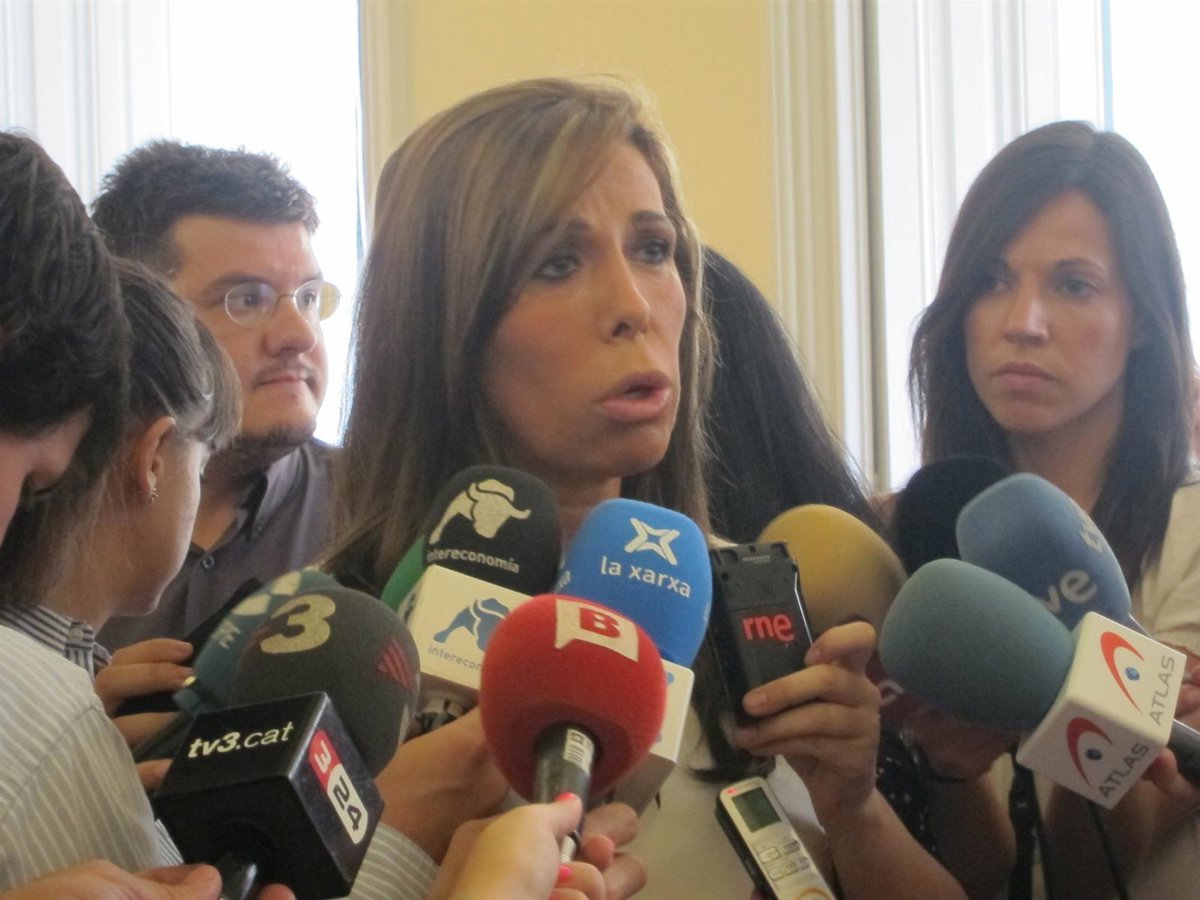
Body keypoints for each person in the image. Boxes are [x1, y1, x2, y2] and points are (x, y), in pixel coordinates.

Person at [326, 76, 969, 899]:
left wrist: (855, 809)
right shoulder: (342, 644)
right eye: (558, 263)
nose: (634, 305)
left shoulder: (753, 608)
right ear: (444, 324)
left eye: (654, 249)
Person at [909, 119, 1198, 898]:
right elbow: (972, 875)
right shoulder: (907, 534)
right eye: (991, 281)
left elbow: (1092, 875)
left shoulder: (1193, 536)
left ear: (1145, 320)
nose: (1022, 323)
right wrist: (947, 770)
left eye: (1073, 286)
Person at [91, 141, 337, 659]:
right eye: (247, 299)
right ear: (139, 316)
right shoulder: (43, 524)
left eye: (309, 298)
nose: (300, 335)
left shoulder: (382, 516)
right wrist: (77, 704)